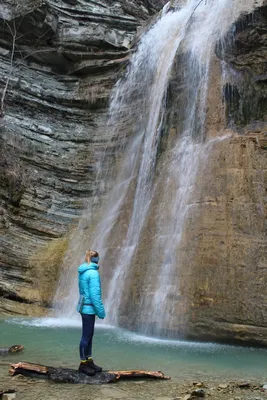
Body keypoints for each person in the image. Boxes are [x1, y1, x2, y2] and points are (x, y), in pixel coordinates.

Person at [77, 250, 106, 376]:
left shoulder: (83, 271)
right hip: (89, 308)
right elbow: (95, 295)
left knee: (89, 335)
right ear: (96, 259)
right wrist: (101, 312)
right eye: (98, 258)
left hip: (85, 307)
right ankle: (83, 364)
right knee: (86, 336)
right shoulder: (93, 273)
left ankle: (89, 360)